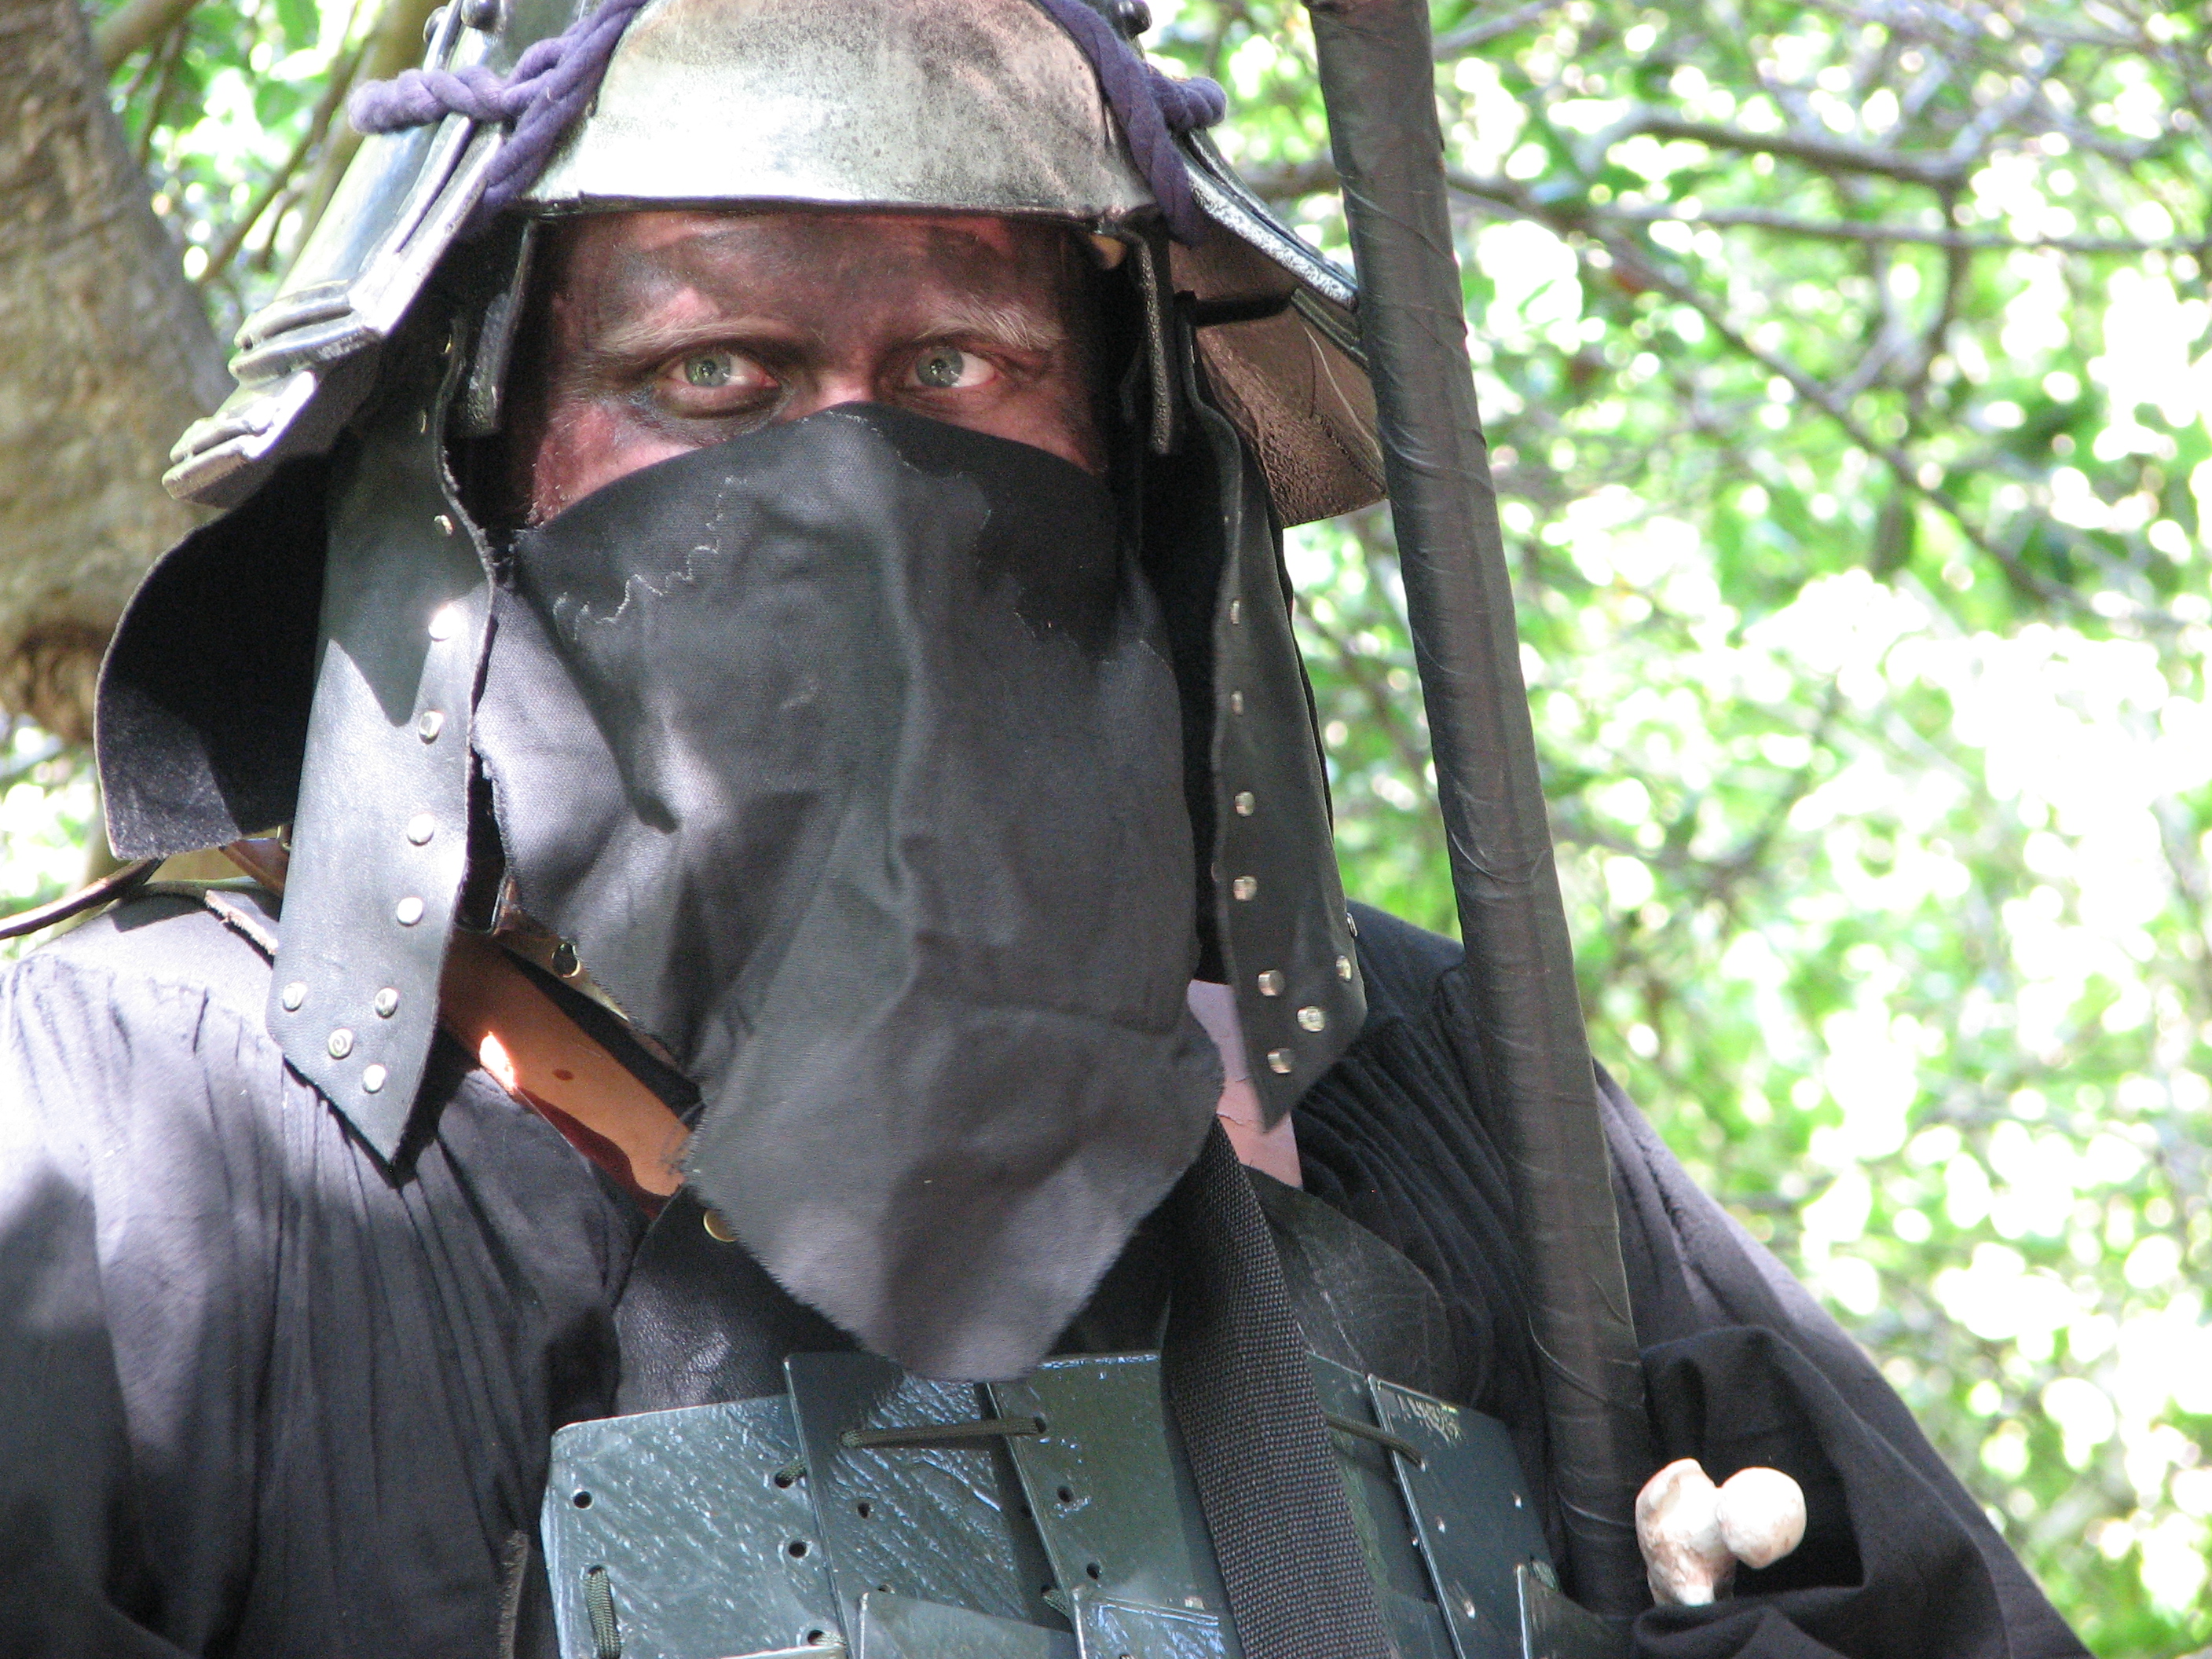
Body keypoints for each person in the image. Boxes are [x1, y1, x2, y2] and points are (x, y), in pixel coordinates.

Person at [1, 2, 2084, 1656]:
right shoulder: (128, 1141)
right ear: (476, 457)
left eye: (959, 365)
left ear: (1124, 453)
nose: (855, 489)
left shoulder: (1439, 1100)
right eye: (711, 372)